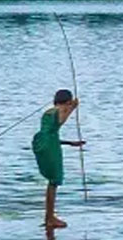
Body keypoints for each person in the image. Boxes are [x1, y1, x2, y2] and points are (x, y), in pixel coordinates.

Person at [32, 88, 86, 229]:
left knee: (52, 181)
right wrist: (72, 108)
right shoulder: (59, 111)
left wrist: (69, 143)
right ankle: (50, 217)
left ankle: (49, 216)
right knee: (54, 181)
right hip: (50, 145)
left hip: (43, 142)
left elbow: (50, 132)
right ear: (67, 102)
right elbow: (60, 121)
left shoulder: (47, 112)